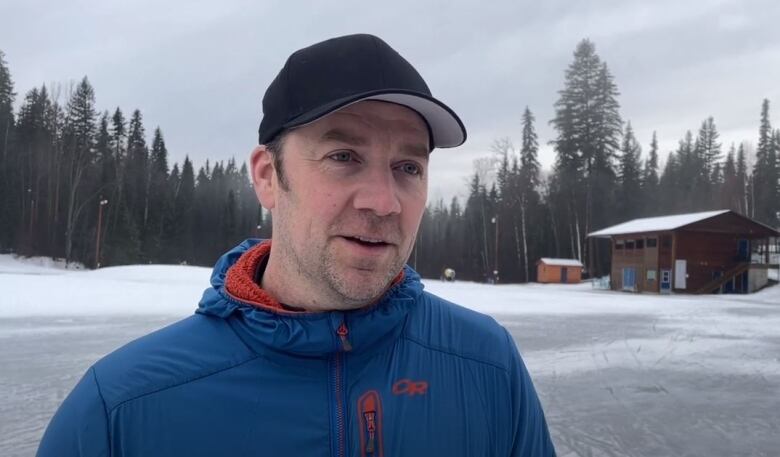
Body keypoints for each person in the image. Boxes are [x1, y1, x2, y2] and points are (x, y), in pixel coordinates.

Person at [37, 34, 556, 456]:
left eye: (408, 167)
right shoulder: (122, 409)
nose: (384, 202)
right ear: (268, 177)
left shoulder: (487, 367)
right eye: (343, 156)